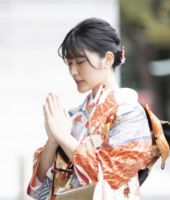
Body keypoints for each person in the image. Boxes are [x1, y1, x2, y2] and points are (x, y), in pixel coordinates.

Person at [26, 18, 153, 200]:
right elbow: (41, 187)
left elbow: (109, 178)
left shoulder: (131, 113)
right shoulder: (72, 116)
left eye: (79, 62)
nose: (72, 71)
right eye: (69, 63)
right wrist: (53, 141)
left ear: (108, 59)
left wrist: (64, 138)